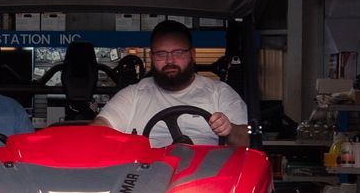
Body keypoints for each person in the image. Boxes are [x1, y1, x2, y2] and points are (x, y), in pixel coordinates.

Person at [95, 20, 248, 147]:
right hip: (144, 176)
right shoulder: (134, 94)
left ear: (193, 55)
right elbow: (101, 127)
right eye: (161, 54)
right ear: (152, 56)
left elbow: (249, 141)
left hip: (208, 178)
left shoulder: (219, 93)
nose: (170, 61)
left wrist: (230, 130)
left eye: (178, 53)